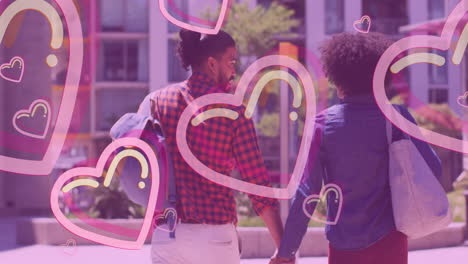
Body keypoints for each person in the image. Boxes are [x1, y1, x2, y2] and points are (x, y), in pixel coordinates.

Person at [270, 32, 442, 264]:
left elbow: (306, 193)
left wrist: (287, 251)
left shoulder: (322, 124)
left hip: (344, 246)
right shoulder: (397, 117)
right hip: (391, 242)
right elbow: (433, 169)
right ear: (383, 77)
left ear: (338, 79)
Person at [149, 29, 284, 264]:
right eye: (231, 61)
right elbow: (257, 184)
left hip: (166, 236)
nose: (234, 69)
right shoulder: (232, 111)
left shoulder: (160, 100)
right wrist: (284, 248)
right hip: (214, 239)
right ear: (212, 63)